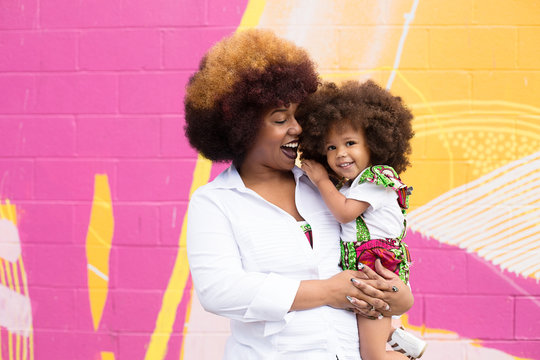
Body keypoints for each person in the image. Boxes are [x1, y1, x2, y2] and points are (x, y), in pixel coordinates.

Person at [185, 29, 414, 360]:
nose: (297, 128)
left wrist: (399, 295)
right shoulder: (215, 202)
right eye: (281, 119)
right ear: (243, 128)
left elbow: (373, 256)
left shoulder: (328, 183)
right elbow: (219, 291)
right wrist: (327, 291)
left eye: (297, 115)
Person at [297, 80, 426, 359]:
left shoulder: (376, 179)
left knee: (373, 356)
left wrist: (319, 179)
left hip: (376, 266)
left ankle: (404, 352)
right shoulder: (347, 187)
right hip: (358, 264)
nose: (340, 153)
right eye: (330, 147)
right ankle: (395, 335)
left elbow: (344, 212)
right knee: (361, 339)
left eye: (350, 143)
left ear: (375, 143)